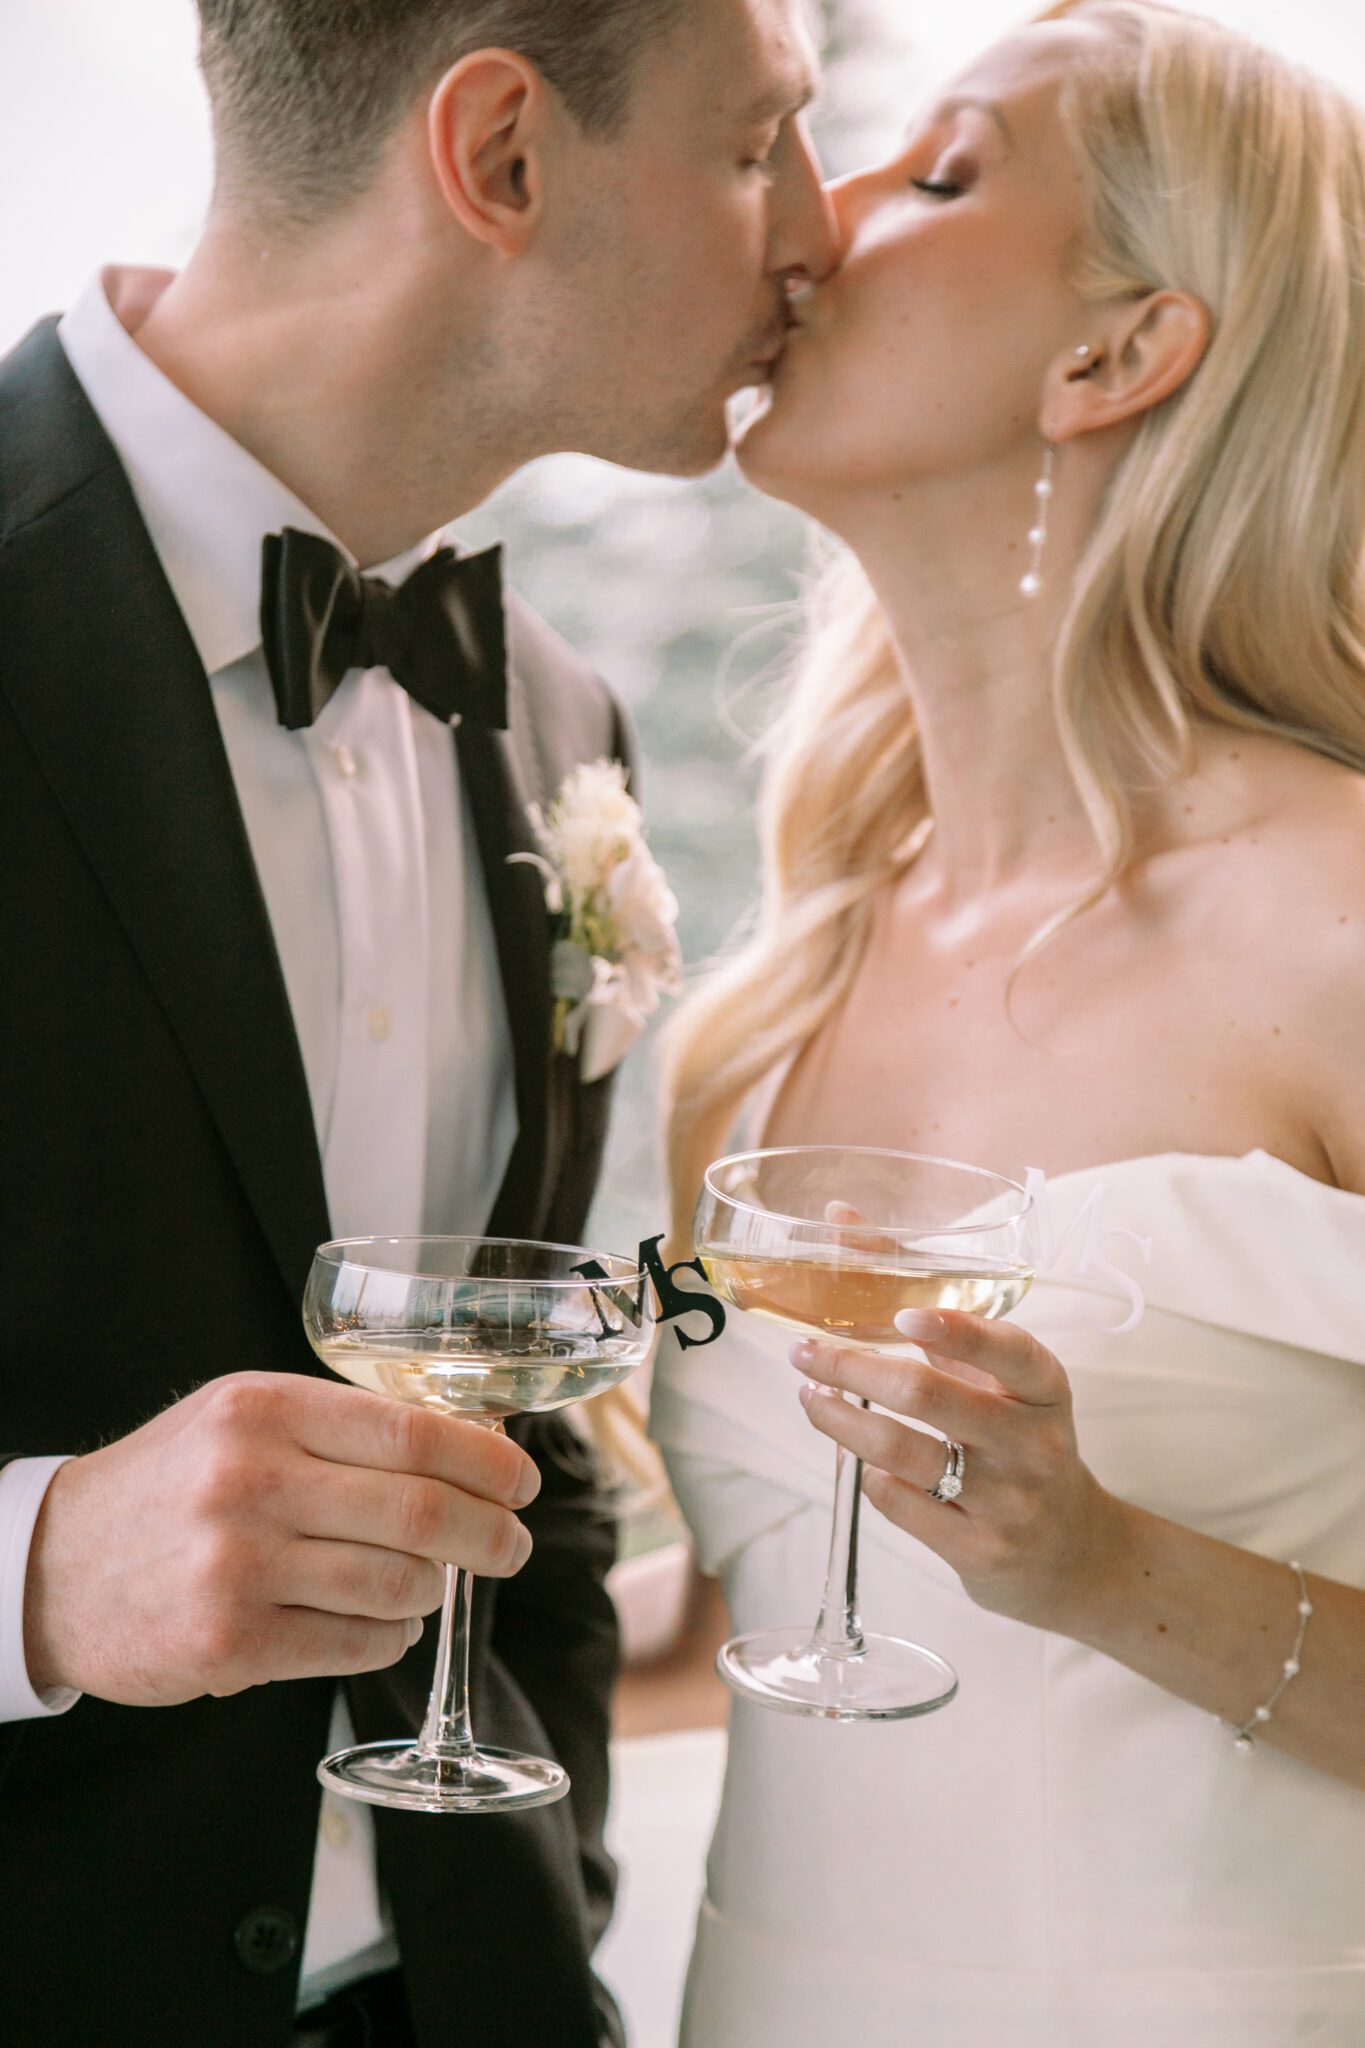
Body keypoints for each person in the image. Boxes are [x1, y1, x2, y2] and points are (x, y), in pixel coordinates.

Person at [0, 1, 837, 2043]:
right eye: (755, 150)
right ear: (502, 159)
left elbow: (523, 1462)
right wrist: (33, 1572)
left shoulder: (559, 720)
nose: (817, 232)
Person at [653, 3, 1365, 2042]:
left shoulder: (1334, 920)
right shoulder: (762, 1005)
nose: (820, 208)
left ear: (1114, 355)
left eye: (938, 171)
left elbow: (1042, 1604)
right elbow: (761, 1627)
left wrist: (1099, 1564)